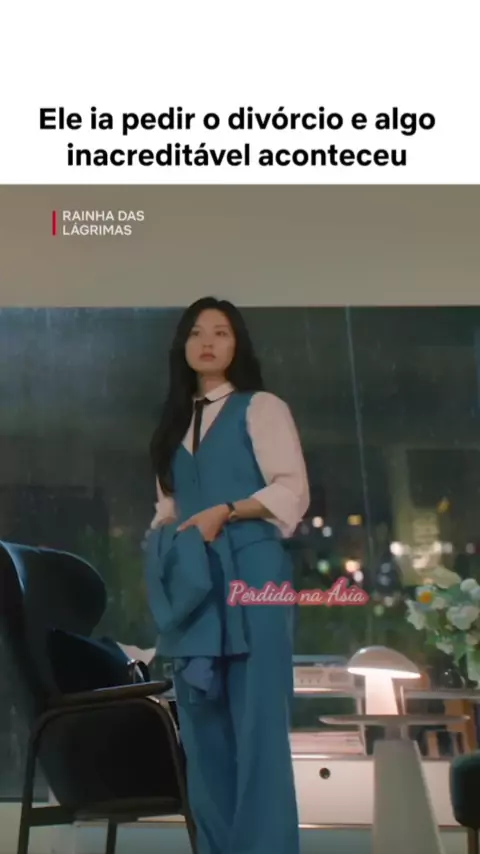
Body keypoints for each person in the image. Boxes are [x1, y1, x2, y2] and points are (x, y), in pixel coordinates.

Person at [148, 296, 310, 854]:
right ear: (183, 346)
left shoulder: (261, 407)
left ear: (237, 343)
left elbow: (291, 490)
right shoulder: (172, 427)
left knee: (258, 726)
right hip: (195, 584)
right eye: (197, 333)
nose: (208, 342)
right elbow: (166, 511)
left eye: (220, 332)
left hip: (253, 574)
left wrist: (227, 510)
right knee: (202, 727)